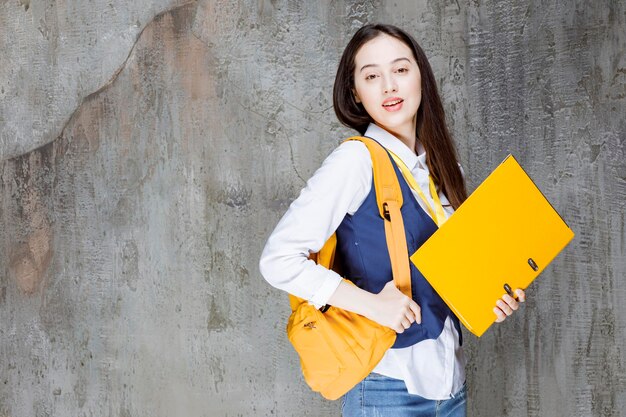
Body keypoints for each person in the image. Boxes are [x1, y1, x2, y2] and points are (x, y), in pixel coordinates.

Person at [259, 23, 526, 417]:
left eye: (400, 70)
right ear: (355, 92)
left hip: (450, 385)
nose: (389, 86)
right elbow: (277, 260)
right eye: (371, 76)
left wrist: (493, 297)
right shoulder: (355, 161)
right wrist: (372, 305)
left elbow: (450, 279)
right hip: (386, 388)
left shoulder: (447, 171)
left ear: (421, 75)